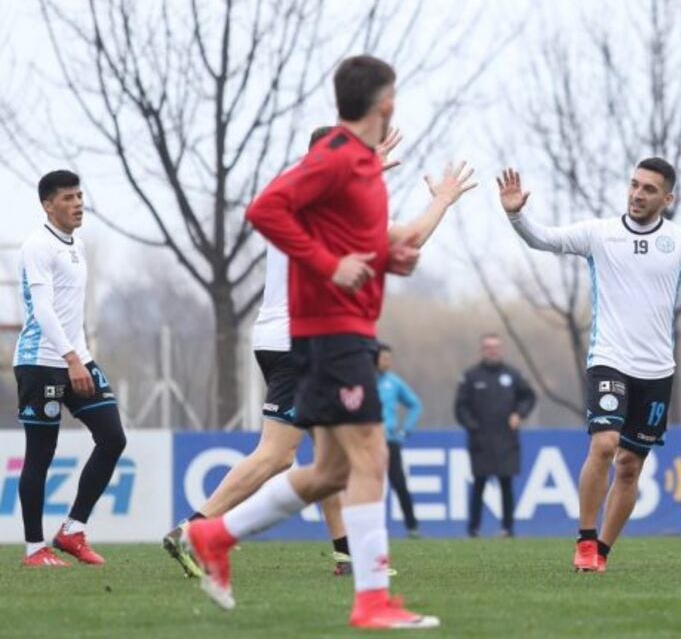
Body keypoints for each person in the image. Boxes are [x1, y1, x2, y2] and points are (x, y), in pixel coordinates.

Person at [185, 55, 476, 630]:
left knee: (330, 472)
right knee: (372, 457)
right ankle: (372, 601)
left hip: (347, 334)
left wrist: (418, 229)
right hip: (330, 335)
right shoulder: (336, 158)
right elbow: (264, 209)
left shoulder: (362, 168)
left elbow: (391, 241)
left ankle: (212, 534)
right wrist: (327, 264)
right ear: (386, 103)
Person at [163, 126, 411, 580]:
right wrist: (431, 198)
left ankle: (346, 553)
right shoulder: (320, 198)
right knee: (277, 455)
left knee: (331, 454)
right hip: (299, 342)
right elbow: (398, 240)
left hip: (276, 335)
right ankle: (194, 529)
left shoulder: (294, 192)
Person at [497, 160, 681, 572]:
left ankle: (601, 551)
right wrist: (516, 214)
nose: (637, 194)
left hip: (657, 370)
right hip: (610, 360)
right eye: (634, 185)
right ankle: (584, 540)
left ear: (667, 199)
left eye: (649, 189)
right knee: (603, 445)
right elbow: (542, 240)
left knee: (630, 466)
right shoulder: (599, 233)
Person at [13, 170, 127, 567]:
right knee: (41, 455)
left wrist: (81, 355)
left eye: (80, 195)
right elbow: (43, 311)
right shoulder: (36, 246)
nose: (78, 203)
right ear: (48, 204)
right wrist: (71, 358)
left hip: (77, 358)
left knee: (113, 438)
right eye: (68, 198)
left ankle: (73, 530)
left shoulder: (76, 244)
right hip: (41, 363)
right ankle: (33, 549)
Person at [454, 333, 536, 538]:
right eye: (488, 347)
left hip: (506, 439)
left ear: (501, 349)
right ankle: (473, 528)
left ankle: (507, 528)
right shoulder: (471, 376)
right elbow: (460, 407)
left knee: (506, 484)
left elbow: (528, 397)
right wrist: (472, 426)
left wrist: (520, 414)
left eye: (496, 347)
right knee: (479, 484)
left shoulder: (513, 374)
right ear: (482, 350)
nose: (493, 351)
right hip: (480, 440)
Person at [376, 343, 423, 537]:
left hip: (389, 441)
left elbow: (415, 405)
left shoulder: (393, 383)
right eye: (384, 358)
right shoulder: (362, 382)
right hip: (365, 441)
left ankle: (412, 527)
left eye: (389, 358)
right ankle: (369, 527)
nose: (388, 362)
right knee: (367, 485)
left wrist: (405, 430)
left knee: (399, 483)